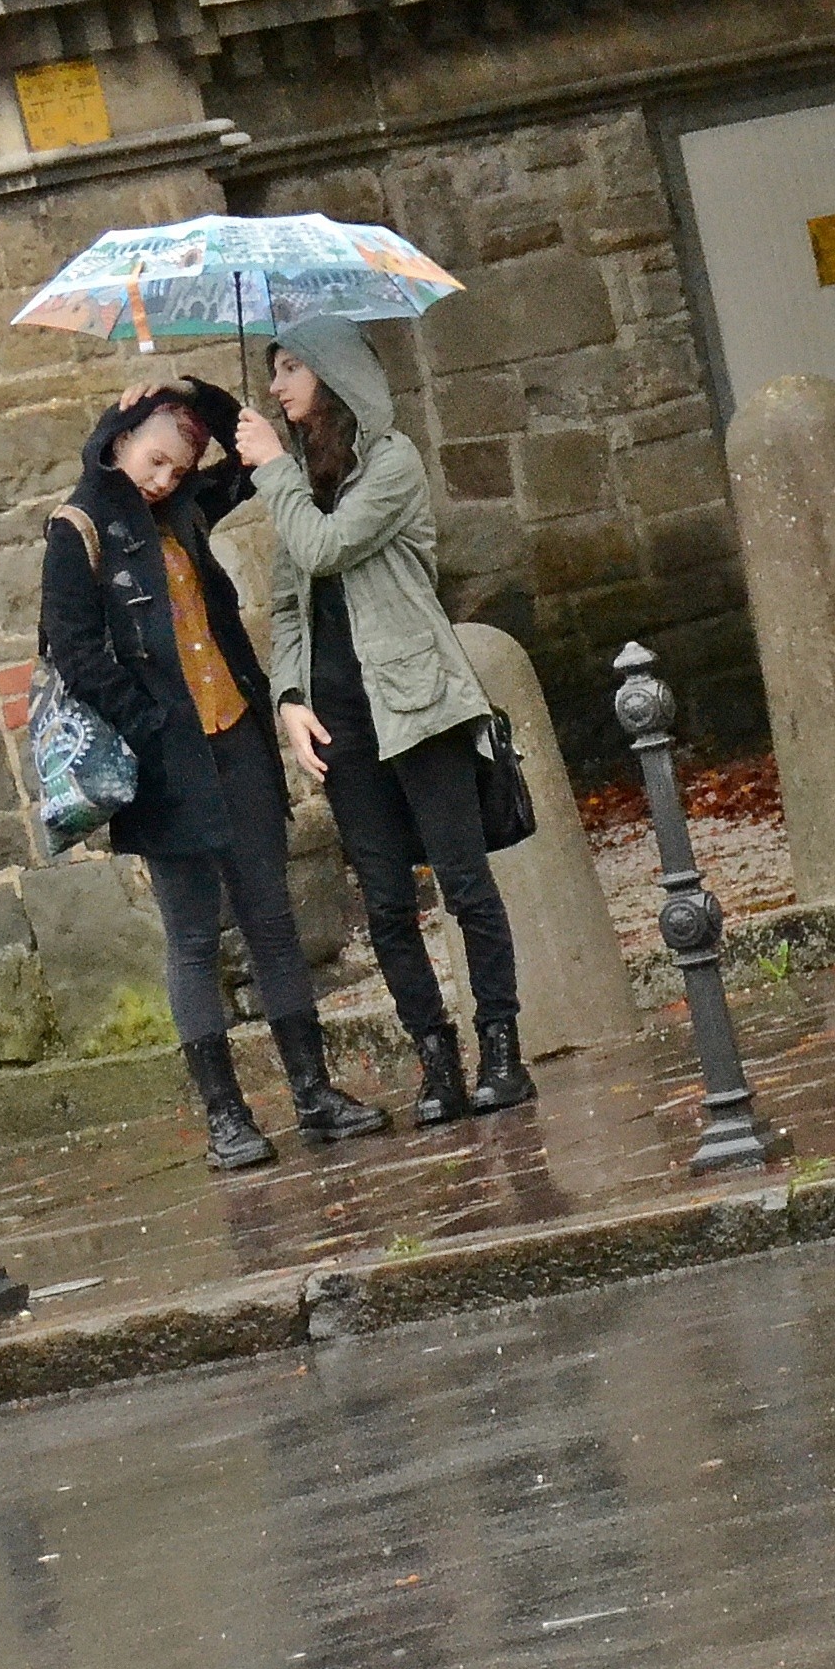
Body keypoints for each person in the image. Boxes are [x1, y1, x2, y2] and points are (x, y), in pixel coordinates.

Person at [40, 379, 394, 1173]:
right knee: (194, 937)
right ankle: (226, 1118)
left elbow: (246, 446)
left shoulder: (186, 506)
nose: (164, 478)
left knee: (272, 919)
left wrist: (189, 391)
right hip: (166, 762)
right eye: (154, 460)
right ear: (123, 442)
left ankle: (313, 1094)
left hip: (234, 736)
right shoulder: (79, 525)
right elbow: (75, 651)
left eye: (177, 466)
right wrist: (151, 726)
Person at [237, 314, 534, 1125]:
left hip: (419, 704)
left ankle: (501, 1051)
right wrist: (290, 700)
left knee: (464, 884)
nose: (276, 384)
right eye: (273, 369)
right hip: (342, 719)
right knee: (385, 902)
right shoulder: (299, 481)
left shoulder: (392, 461)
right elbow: (290, 606)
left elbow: (328, 546)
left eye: (291, 366)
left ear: (334, 371)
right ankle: (435, 1060)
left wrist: (273, 471)